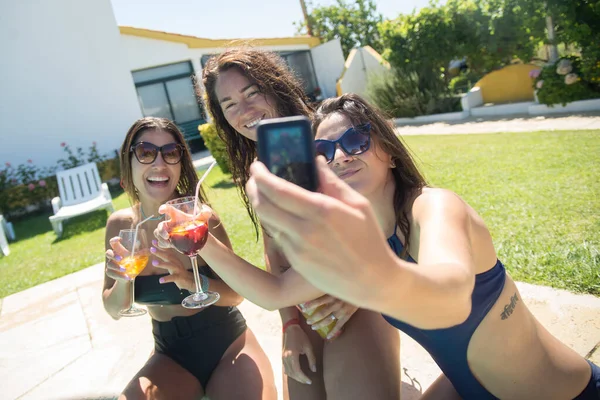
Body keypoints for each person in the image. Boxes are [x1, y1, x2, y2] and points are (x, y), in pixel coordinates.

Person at [245, 93, 600, 399]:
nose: (340, 157)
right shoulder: (370, 238)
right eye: (324, 151)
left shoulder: (435, 206)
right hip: (468, 388)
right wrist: (198, 243)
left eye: (356, 141)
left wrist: (375, 278)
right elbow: (275, 293)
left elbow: (451, 295)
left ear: (392, 153)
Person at [157, 48, 401, 399]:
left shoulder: (325, 139)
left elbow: (382, 215)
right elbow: (276, 251)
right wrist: (290, 325)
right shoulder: (262, 165)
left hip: (357, 299)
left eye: (252, 93)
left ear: (275, 87)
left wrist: (361, 289)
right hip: (305, 307)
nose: (244, 110)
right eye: (229, 105)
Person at [103, 117, 276, 400]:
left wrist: (189, 281)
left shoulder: (200, 219)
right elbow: (113, 309)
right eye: (146, 152)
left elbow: (236, 295)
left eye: (170, 153)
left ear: (180, 163)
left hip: (228, 344)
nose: (159, 163)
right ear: (129, 161)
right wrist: (123, 280)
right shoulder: (120, 227)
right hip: (170, 353)